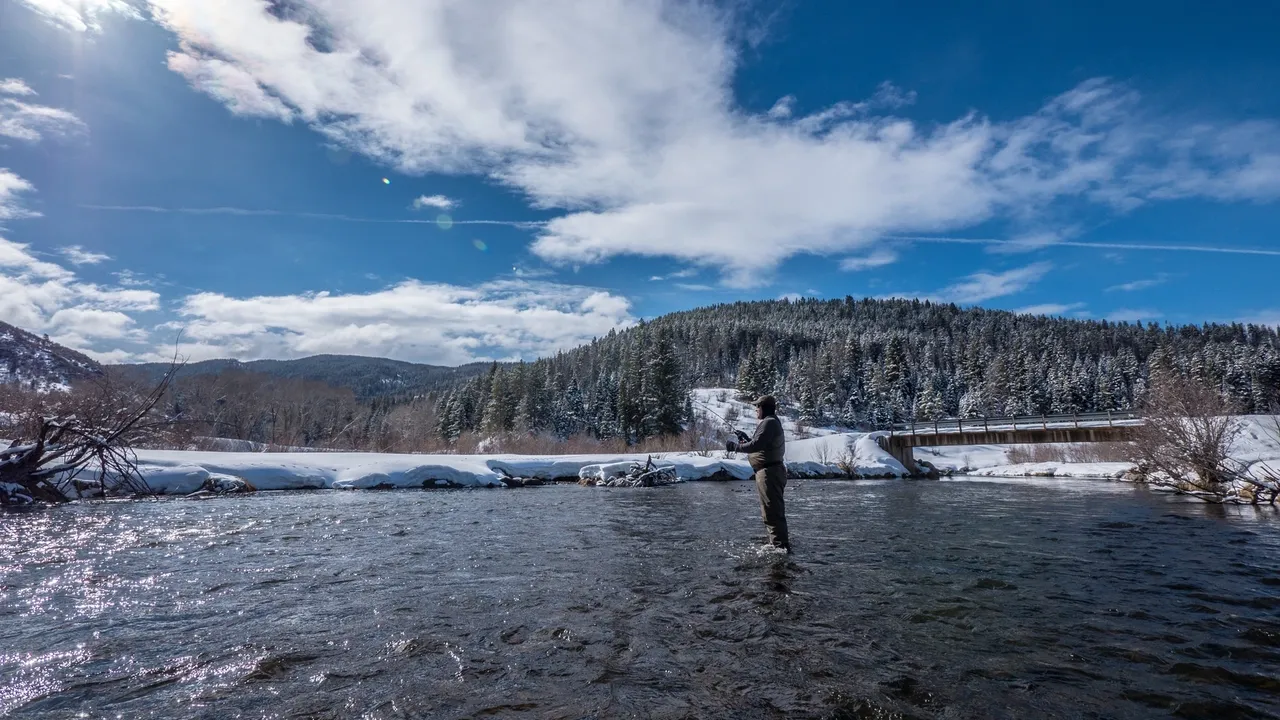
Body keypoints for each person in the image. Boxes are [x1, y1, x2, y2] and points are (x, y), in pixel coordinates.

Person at [726, 395, 789, 552]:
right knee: (771, 510)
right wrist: (745, 439)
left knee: (772, 512)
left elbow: (756, 445)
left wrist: (735, 447)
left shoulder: (769, 423)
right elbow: (760, 445)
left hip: (769, 473)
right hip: (769, 472)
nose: (755, 410)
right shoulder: (770, 423)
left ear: (763, 407)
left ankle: (780, 549)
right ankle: (777, 544)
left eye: (757, 407)